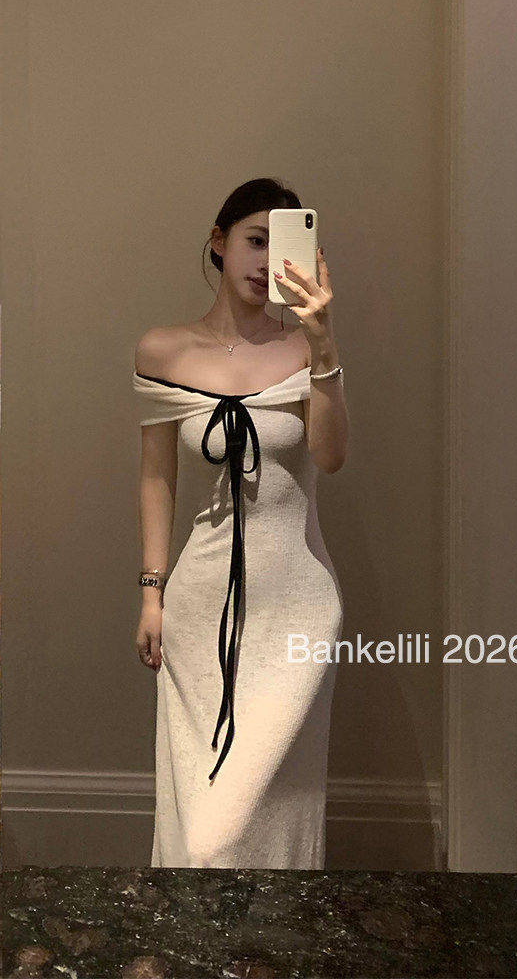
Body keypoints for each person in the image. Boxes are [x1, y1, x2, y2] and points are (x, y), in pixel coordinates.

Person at [133, 176, 349, 867]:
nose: (265, 262)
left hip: (297, 606)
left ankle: (280, 930)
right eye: (255, 240)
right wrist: (151, 592)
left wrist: (323, 343)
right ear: (219, 242)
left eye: (281, 246)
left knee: (255, 817)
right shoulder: (163, 351)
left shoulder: (304, 349)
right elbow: (157, 476)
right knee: (200, 830)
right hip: (199, 608)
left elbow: (331, 457)